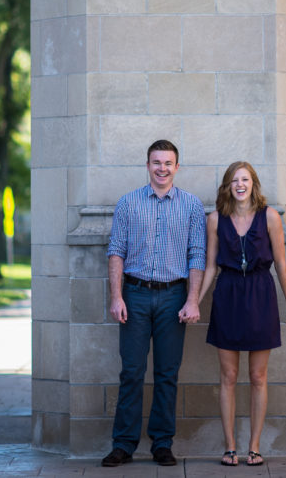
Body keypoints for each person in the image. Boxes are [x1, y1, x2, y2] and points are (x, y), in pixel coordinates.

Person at [101, 139, 207, 468]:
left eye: (168, 163)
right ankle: (123, 444)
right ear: (147, 165)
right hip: (134, 295)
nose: (162, 168)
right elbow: (116, 251)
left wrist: (192, 299)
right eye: (156, 162)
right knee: (131, 372)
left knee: (166, 373)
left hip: (174, 297)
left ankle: (162, 443)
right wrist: (116, 296)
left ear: (177, 167)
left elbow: (197, 255)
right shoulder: (128, 203)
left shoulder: (191, 206)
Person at [197, 161, 286, 467]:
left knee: (258, 376)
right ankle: (230, 447)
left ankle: (254, 447)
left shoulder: (270, 217)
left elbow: (282, 264)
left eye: (245, 179)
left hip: (261, 296)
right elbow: (210, 266)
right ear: (228, 186)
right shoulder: (215, 219)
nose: (240, 185)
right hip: (228, 295)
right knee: (228, 376)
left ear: (253, 184)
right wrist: (194, 301)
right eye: (234, 181)